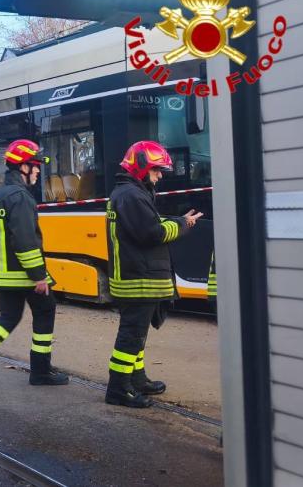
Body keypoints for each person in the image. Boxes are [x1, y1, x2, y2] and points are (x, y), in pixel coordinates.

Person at [0, 140, 69, 389]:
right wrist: (39, 276)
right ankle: (40, 370)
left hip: (3, 274)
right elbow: (25, 240)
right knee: (46, 309)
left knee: (8, 317)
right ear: (23, 167)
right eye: (34, 165)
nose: (38, 170)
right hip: (21, 273)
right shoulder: (21, 197)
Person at [104, 140, 203, 408]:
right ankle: (118, 388)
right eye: (156, 170)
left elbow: (147, 225)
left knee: (137, 334)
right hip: (139, 278)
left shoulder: (130, 194)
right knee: (131, 336)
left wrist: (176, 221)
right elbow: (153, 234)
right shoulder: (132, 196)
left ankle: (136, 379)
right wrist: (183, 224)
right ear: (141, 167)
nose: (159, 176)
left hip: (136, 276)